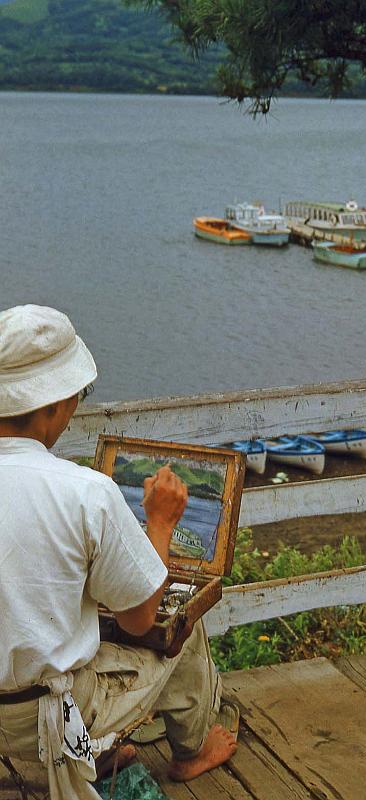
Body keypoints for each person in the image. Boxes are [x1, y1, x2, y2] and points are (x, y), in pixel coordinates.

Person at [0, 304, 237, 800]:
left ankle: (101, 750)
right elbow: (139, 620)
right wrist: (160, 524)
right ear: (54, 403)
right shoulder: (85, 492)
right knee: (180, 624)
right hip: (41, 717)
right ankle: (193, 751)